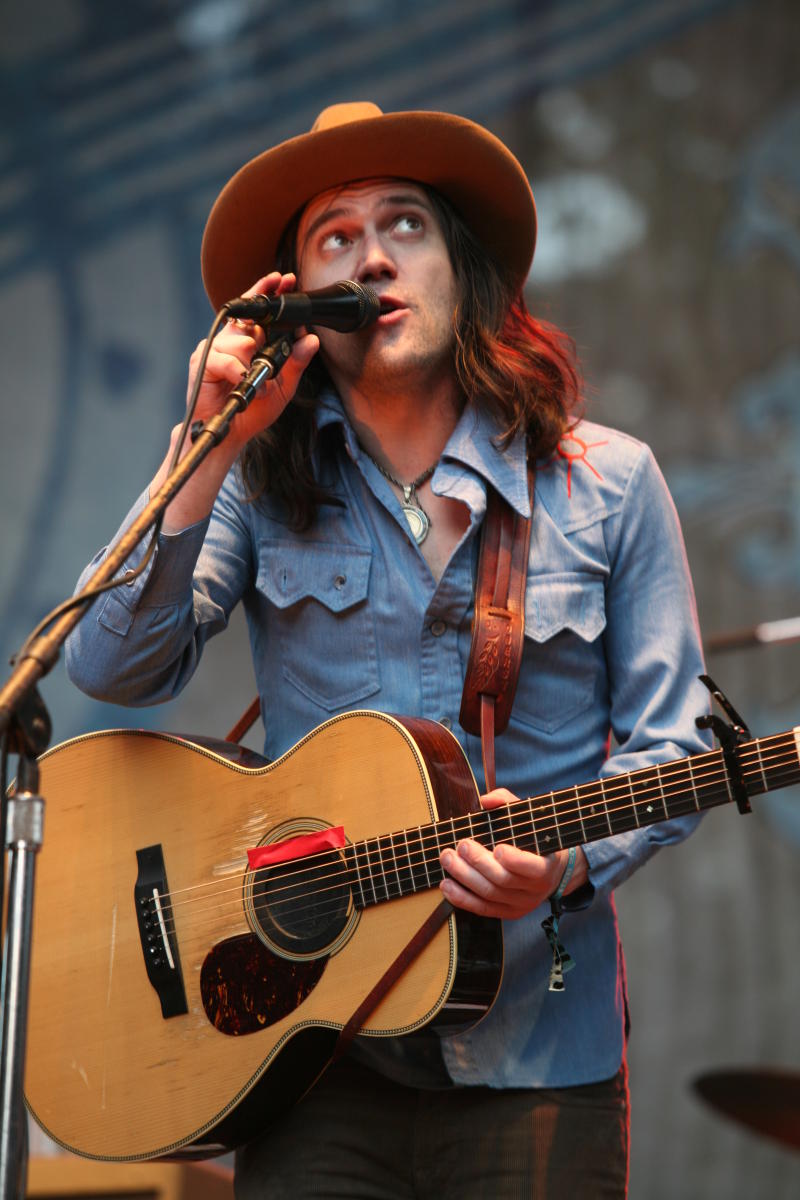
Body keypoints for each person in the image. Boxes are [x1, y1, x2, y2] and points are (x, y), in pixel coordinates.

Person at [66, 102, 710, 1198]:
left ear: (461, 268)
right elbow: (110, 668)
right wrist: (209, 442)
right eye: (334, 238)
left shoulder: (606, 484)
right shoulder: (257, 485)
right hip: (310, 1055)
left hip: (534, 1054)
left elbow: (676, 748)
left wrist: (558, 867)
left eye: (404, 225)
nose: (371, 254)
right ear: (301, 305)